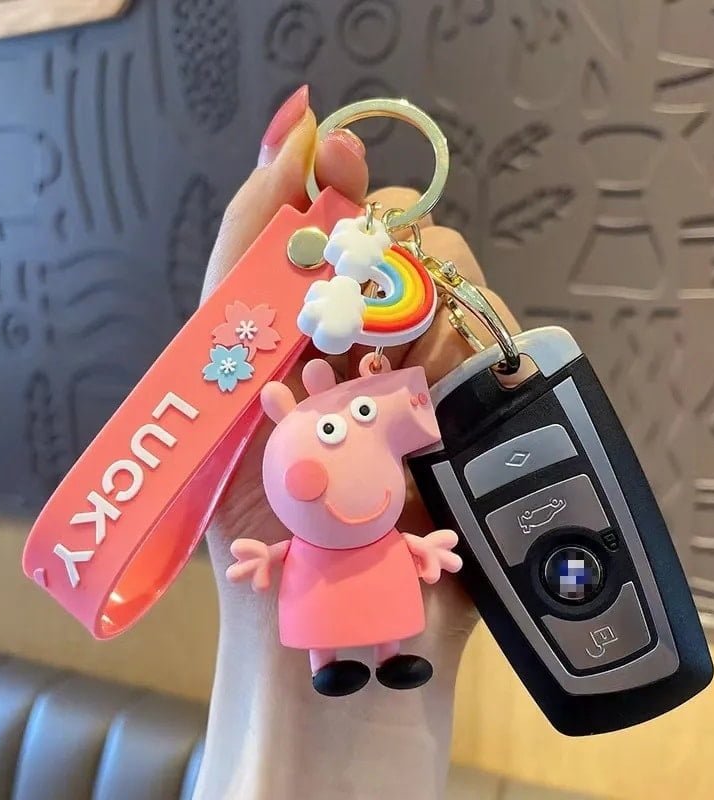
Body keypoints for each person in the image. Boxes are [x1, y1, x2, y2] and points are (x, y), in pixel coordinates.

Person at [192, 85, 520, 800]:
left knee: (382, 621)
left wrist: (429, 550)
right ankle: (321, 672)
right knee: (326, 629)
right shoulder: (292, 477)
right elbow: (278, 553)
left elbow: (400, 546)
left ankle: (387, 663)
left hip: (376, 588)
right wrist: (261, 562)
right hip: (314, 595)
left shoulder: (375, 484)